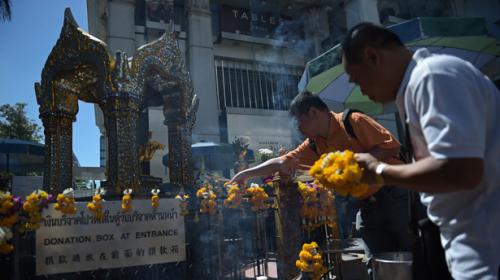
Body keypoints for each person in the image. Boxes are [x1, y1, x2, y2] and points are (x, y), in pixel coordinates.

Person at [342, 22, 500, 279]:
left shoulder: (433, 77)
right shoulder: (415, 88)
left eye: (357, 79)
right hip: (463, 244)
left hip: (486, 248)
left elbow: (461, 170)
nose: (361, 90)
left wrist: (380, 171)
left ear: (373, 57)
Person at [230, 91, 411, 260]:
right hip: (366, 207)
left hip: (395, 197)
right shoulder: (314, 144)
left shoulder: (353, 121)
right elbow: (283, 162)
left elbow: (392, 146)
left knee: (413, 257)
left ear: (313, 112)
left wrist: (355, 164)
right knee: (378, 264)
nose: (298, 128)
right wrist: (246, 174)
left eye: (298, 121)